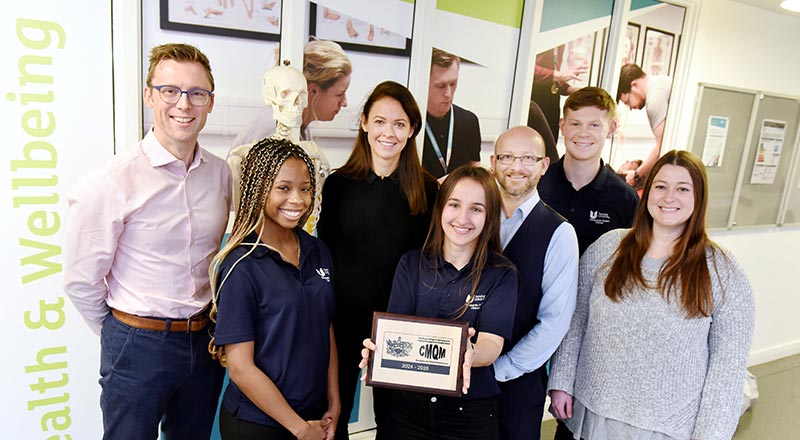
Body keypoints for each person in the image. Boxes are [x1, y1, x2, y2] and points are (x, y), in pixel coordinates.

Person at [62, 43, 231, 440]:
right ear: (149, 96)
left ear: (210, 102)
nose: (183, 104)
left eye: (196, 93)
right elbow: (80, 279)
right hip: (136, 342)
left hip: (204, 341)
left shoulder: (222, 175)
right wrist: (123, 331)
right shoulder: (109, 182)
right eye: (170, 90)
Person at [548, 150, 755, 440]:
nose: (669, 197)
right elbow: (576, 319)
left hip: (665, 429)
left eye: (682, 188)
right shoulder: (608, 248)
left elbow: (727, 368)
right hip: (589, 417)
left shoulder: (722, 271)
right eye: (660, 186)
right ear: (647, 193)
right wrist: (561, 381)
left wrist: (711, 435)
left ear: (699, 197)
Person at [359, 165, 519, 440]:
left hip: (469, 415)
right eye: (454, 204)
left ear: (490, 216)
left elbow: (491, 345)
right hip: (408, 412)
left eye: (476, 209)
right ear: (440, 209)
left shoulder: (502, 274)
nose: (463, 218)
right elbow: (396, 331)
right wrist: (380, 350)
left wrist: (468, 353)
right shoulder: (411, 264)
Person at [318, 80, 439, 439]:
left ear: (412, 130)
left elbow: (432, 261)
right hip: (342, 320)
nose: (390, 132)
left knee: (396, 421)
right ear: (365, 123)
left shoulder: (428, 190)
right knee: (333, 413)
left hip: (400, 324)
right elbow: (325, 255)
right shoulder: (339, 184)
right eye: (381, 121)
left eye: (400, 124)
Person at [210, 138, 339, 440]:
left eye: (305, 188)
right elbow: (240, 368)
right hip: (259, 425)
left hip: (315, 419)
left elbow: (326, 328)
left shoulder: (317, 251)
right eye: (284, 188)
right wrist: (298, 428)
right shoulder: (241, 265)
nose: (297, 200)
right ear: (258, 191)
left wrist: (334, 401)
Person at [489, 126, 580, 440]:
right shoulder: (472, 218)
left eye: (528, 158)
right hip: (465, 382)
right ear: (493, 163)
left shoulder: (559, 233)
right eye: (507, 157)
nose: (516, 166)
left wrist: (499, 369)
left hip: (517, 384)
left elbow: (554, 322)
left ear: (544, 165)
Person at [538, 86, 639, 255]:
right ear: (562, 126)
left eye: (594, 125)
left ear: (611, 128)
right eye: (575, 124)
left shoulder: (625, 199)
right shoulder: (536, 183)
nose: (583, 133)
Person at [232, 39, 352, 146]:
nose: (344, 103)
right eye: (340, 94)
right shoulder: (276, 127)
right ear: (312, 91)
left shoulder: (299, 126)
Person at [423, 48, 482, 180]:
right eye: (440, 86)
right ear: (424, 82)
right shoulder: (411, 122)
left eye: (453, 84)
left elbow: (474, 167)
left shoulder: (469, 121)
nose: (448, 93)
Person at [617, 63, 672, 186]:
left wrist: (636, 175)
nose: (630, 108)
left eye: (627, 102)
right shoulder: (662, 82)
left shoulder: (654, 99)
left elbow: (662, 147)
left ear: (634, 85)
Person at [531, 45, 588, 143]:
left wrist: (571, 90)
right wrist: (559, 75)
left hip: (551, 102)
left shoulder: (559, 42)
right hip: (533, 100)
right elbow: (526, 68)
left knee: (550, 144)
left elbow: (552, 78)